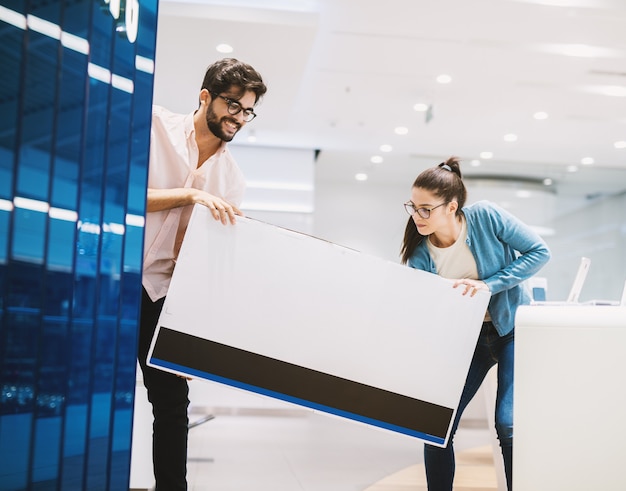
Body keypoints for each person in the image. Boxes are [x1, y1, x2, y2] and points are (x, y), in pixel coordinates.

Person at [138, 58, 267, 491]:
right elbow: (122, 193)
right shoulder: (153, 126)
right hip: (110, 281)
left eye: (248, 111)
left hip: (161, 295)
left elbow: (202, 261)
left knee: (173, 404)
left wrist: (190, 329)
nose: (239, 117)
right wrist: (191, 194)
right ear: (205, 97)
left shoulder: (231, 180)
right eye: (233, 105)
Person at [400, 156, 550, 491]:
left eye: (426, 208)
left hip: (510, 330)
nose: (417, 215)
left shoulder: (485, 217)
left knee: (507, 423)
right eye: (413, 206)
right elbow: (426, 311)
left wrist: (490, 284)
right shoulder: (419, 253)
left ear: (451, 206)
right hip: (467, 340)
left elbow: (539, 252)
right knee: (435, 425)